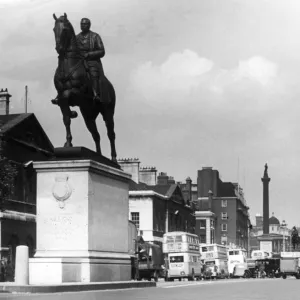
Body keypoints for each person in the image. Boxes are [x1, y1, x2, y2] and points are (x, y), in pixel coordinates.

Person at [76, 18, 109, 104]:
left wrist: (89, 54)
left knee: (93, 72)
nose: (83, 25)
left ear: (89, 25)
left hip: (91, 61)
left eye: (85, 24)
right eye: (81, 24)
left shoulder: (95, 36)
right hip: (79, 61)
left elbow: (102, 51)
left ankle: (96, 94)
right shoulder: (76, 37)